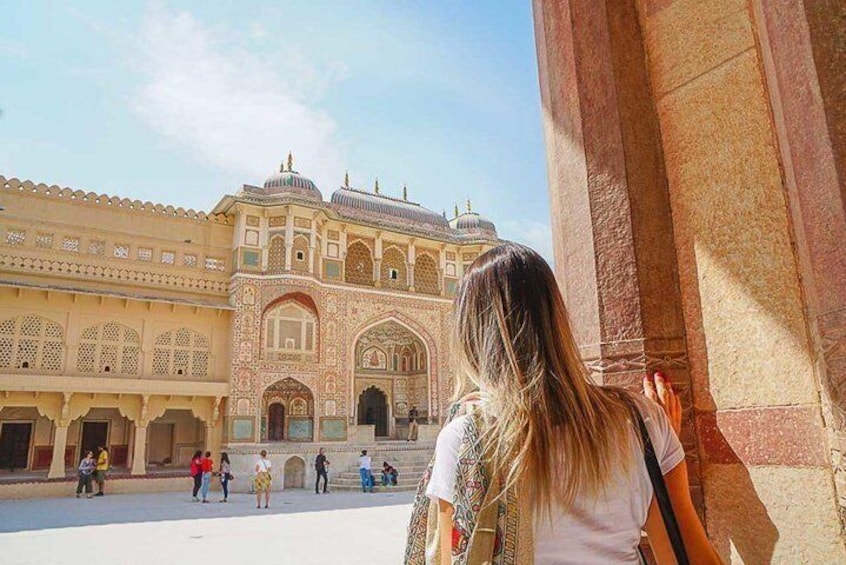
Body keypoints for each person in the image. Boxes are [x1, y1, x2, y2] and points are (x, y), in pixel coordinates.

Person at [405, 243, 721, 565]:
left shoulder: (466, 439)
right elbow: (689, 556)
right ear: (556, 317)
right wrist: (657, 437)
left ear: (469, 333)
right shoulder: (643, 420)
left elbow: (445, 558)